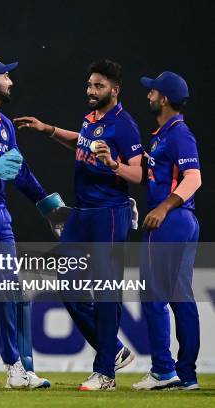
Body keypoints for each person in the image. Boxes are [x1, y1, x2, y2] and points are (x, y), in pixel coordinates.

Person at [14, 59, 142, 390]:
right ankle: (112, 349)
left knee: (105, 292)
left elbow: (140, 173)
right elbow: (81, 145)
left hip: (109, 215)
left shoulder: (124, 125)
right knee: (64, 279)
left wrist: (113, 164)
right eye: (89, 85)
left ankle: (105, 374)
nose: (91, 90)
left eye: (98, 86)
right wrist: (49, 130)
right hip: (82, 213)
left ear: (114, 90)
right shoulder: (91, 119)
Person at [0, 56, 67, 389]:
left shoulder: (5, 125)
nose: (11, 82)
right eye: (6, 76)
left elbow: (19, 172)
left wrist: (47, 205)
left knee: (4, 290)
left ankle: (13, 368)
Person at [128, 72, 200, 390]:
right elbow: (156, 176)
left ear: (165, 99)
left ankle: (162, 370)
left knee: (152, 295)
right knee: (180, 297)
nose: (148, 96)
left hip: (172, 219)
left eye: (153, 92)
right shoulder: (162, 135)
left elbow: (193, 178)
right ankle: (186, 375)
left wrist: (162, 208)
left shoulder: (179, 133)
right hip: (183, 220)